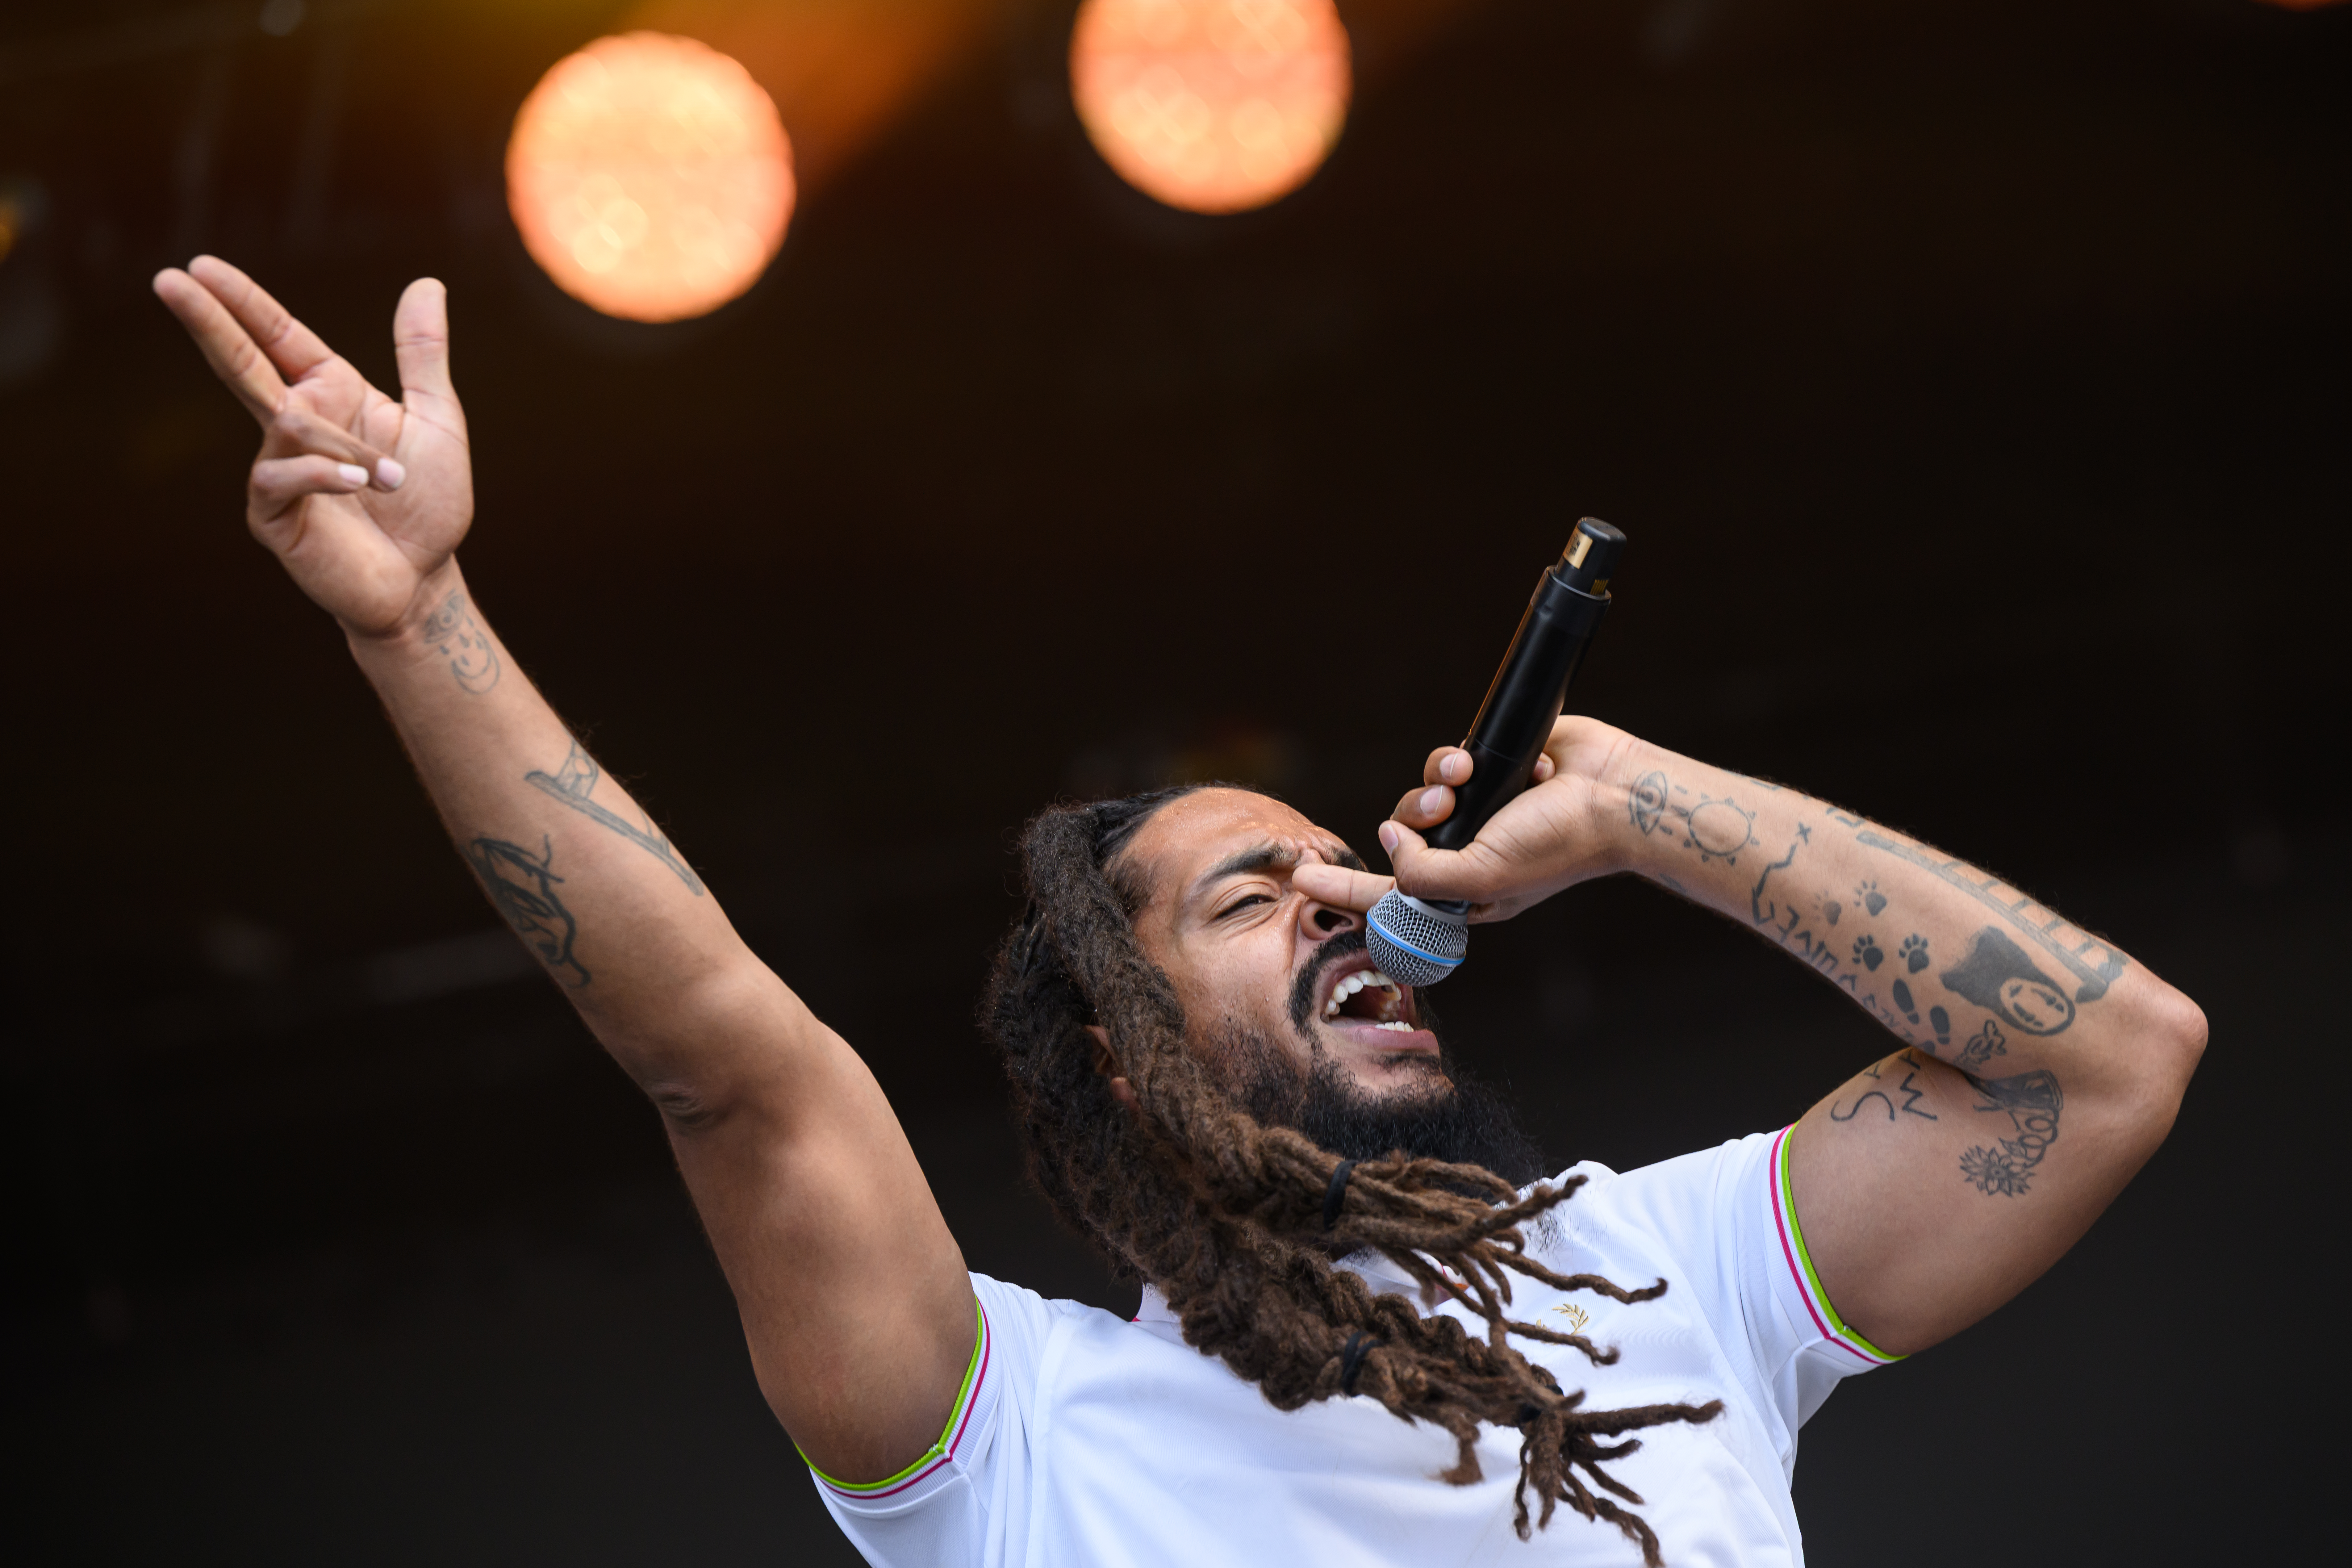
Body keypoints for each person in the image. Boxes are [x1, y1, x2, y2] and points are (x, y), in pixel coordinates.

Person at [153, 257, 2206, 1568]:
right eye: (1256, 887)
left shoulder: (1662, 1277)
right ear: (1122, 1054)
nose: (1348, 890)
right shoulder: (1014, 1444)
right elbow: (727, 1059)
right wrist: (423, 619)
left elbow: (2110, 1055)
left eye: (1344, 859)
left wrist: (1643, 809)